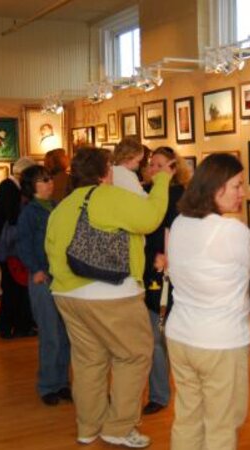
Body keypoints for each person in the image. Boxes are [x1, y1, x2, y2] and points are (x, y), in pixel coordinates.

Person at [45, 146, 173, 448]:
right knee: (134, 354)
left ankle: (88, 427)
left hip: (66, 294)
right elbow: (150, 218)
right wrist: (163, 181)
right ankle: (118, 427)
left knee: (89, 361)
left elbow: (51, 249)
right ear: (106, 172)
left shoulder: (63, 205)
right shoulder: (108, 196)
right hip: (110, 294)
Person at [166, 153, 250, 450]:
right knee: (222, 424)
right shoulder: (230, 231)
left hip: (181, 335)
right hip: (219, 341)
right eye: (237, 186)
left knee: (188, 416)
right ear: (217, 188)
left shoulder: (180, 223)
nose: (243, 193)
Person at [15, 165, 72, 406]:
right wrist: (35, 269)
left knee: (64, 334)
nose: (50, 183)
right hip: (42, 278)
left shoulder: (57, 206)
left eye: (49, 179)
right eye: (44, 180)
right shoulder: (29, 212)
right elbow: (23, 243)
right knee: (49, 334)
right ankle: (48, 384)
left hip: (60, 278)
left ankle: (62, 383)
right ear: (32, 186)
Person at [141, 146, 189, 416]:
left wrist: (170, 258)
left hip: (170, 271)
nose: (154, 169)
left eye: (160, 165)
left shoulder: (181, 195)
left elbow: (179, 231)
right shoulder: (147, 192)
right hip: (150, 269)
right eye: (152, 164)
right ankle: (159, 392)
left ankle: (170, 391)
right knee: (154, 336)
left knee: (166, 335)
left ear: (173, 167)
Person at [0, 156, 37, 339]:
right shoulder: (10, 188)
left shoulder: (10, 186)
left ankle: (12, 325)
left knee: (14, 286)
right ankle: (11, 326)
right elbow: (13, 217)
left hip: (7, 244)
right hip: (8, 246)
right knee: (14, 286)